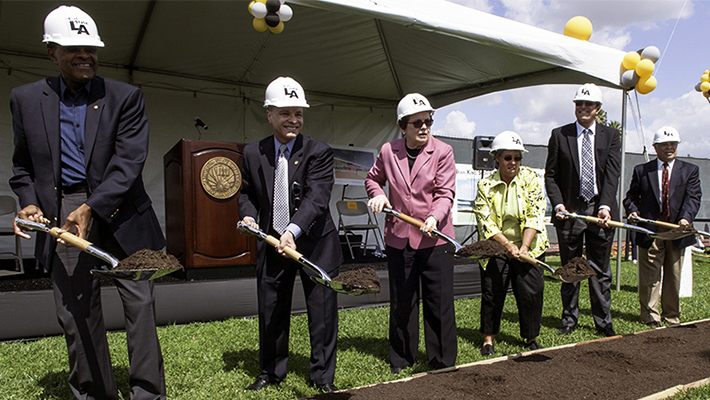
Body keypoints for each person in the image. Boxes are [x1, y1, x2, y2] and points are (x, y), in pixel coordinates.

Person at [10, 6, 166, 400]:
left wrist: (92, 207)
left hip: (121, 209)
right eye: (73, 48)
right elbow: (23, 166)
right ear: (51, 52)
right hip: (63, 215)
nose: (85, 56)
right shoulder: (25, 99)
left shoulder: (125, 96)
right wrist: (28, 202)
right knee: (76, 311)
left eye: (90, 49)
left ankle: (148, 394)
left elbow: (128, 162)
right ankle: (94, 393)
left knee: (140, 305)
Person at [238, 76, 342, 393]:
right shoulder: (253, 153)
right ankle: (271, 371)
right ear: (269, 114)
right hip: (272, 243)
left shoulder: (319, 152)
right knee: (271, 309)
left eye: (298, 113)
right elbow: (246, 193)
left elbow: (316, 199)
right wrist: (248, 214)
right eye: (285, 113)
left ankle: (322, 376)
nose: (293, 120)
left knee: (322, 312)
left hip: (315, 243)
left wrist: (292, 231)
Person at [366, 93, 457, 374]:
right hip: (399, 238)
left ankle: (441, 360)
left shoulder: (443, 151)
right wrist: (378, 195)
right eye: (416, 123)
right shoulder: (387, 151)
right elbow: (372, 179)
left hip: (435, 238)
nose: (424, 127)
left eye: (428, 121)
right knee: (402, 300)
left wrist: (434, 216)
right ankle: (402, 357)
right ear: (402, 126)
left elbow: (445, 194)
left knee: (438, 302)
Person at [544, 83, 621, 337]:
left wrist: (606, 206)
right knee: (571, 267)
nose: (583, 108)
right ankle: (569, 319)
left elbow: (612, 175)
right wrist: (558, 204)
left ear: (598, 108)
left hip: (600, 212)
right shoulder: (559, 135)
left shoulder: (611, 136)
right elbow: (551, 176)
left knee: (600, 269)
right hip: (570, 213)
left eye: (588, 105)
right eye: (579, 104)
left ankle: (603, 321)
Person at [472, 131, 549, 355]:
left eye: (517, 157)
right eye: (508, 157)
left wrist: (524, 247)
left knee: (531, 293)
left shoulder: (531, 179)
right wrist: (508, 246)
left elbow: (535, 215)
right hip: (497, 246)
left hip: (529, 244)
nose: (513, 162)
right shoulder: (485, 186)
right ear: (497, 157)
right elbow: (485, 221)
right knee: (492, 292)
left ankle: (531, 337)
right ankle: (488, 338)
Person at [623, 126, 701, 327]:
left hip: (677, 231)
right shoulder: (642, 170)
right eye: (664, 144)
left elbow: (693, 197)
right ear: (655, 147)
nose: (669, 147)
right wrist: (632, 210)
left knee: (673, 276)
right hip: (651, 231)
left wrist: (686, 219)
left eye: (673, 144)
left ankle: (672, 316)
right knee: (650, 276)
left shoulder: (690, 170)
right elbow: (631, 196)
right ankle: (650, 316)